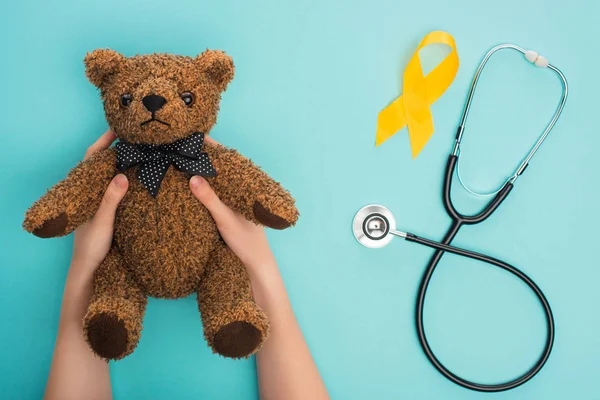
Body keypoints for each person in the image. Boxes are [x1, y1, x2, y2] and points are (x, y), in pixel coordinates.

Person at [43, 130, 329, 400]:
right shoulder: (120, 160)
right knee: (114, 294)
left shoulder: (199, 156)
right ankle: (111, 325)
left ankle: (230, 320)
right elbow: (78, 189)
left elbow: (245, 181)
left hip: (206, 261)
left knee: (220, 271)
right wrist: (261, 263)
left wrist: (84, 264)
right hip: (129, 263)